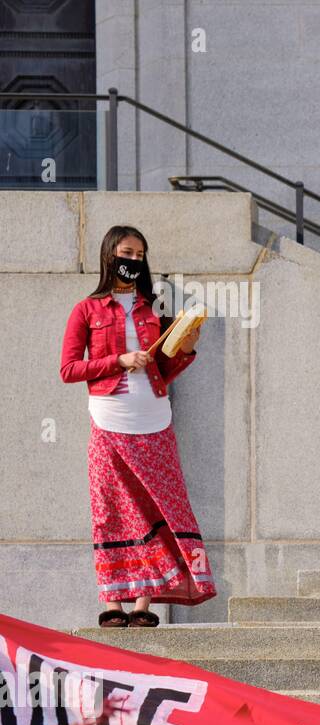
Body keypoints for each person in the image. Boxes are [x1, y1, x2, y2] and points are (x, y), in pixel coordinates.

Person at [59, 225, 214, 627]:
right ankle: (112, 603)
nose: (134, 260)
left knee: (155, 508)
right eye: (127, 252)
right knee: (109, 509)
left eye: (140, 255)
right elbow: (69, 369)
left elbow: (163, 366)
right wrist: (119, 361)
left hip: (155, 420)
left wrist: (186, 346)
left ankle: (144, 606)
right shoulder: (86, 310)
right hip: (109, 420)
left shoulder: (151, 309)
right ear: (110, 255)